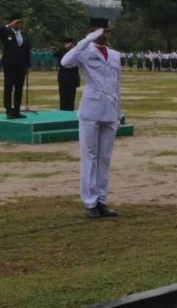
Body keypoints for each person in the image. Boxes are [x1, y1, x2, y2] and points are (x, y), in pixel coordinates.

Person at [60, 17, 122, 219]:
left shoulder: (114, 55)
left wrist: (118, 113)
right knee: (90, 157)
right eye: (100, 32)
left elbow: (117, 86)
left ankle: (102, 200)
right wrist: (87, 40)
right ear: (91, 32)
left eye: (106, 31)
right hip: (91, 110)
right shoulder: (84, 52)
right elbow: (65, 62)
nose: (104, 35)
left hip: (110, 110)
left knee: (105, 158)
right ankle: (90, 202)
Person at [0, 13, 31, 119]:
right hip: (10, 64)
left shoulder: (23, 34)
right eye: (17, 22)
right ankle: (9, 110)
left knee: (19, 88)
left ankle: (16, 110)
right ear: (12, 22)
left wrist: (27, 66)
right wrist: (8, 25)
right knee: (8, 87)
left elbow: (27, 50)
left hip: (21, 65)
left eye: (20, 22)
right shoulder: (6, 32)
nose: (19, 24)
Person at [54, 37, 80, 111]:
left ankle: (70, 111)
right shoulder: (62, 51)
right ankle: (63, 112)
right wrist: (65, 48)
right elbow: (56, 54)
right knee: (63, 97)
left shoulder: (75, 52)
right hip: (64, 77)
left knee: (71, 98)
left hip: (73, 77)